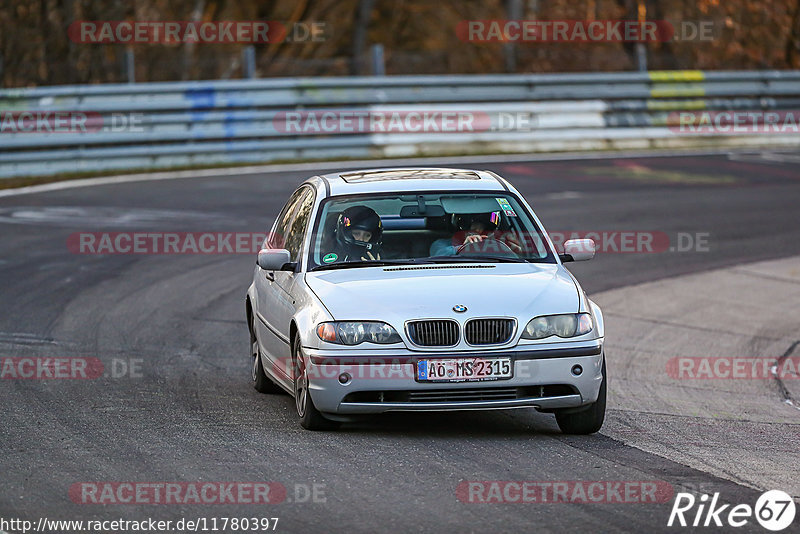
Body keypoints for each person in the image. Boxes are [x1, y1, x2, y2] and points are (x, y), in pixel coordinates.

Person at [429, 211, 521, 256]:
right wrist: (464, 248)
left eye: (486, 227)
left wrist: (516, 252)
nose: (479, 231)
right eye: (470, 226)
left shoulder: (499, 245)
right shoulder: (441, 244)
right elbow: (438, 255)